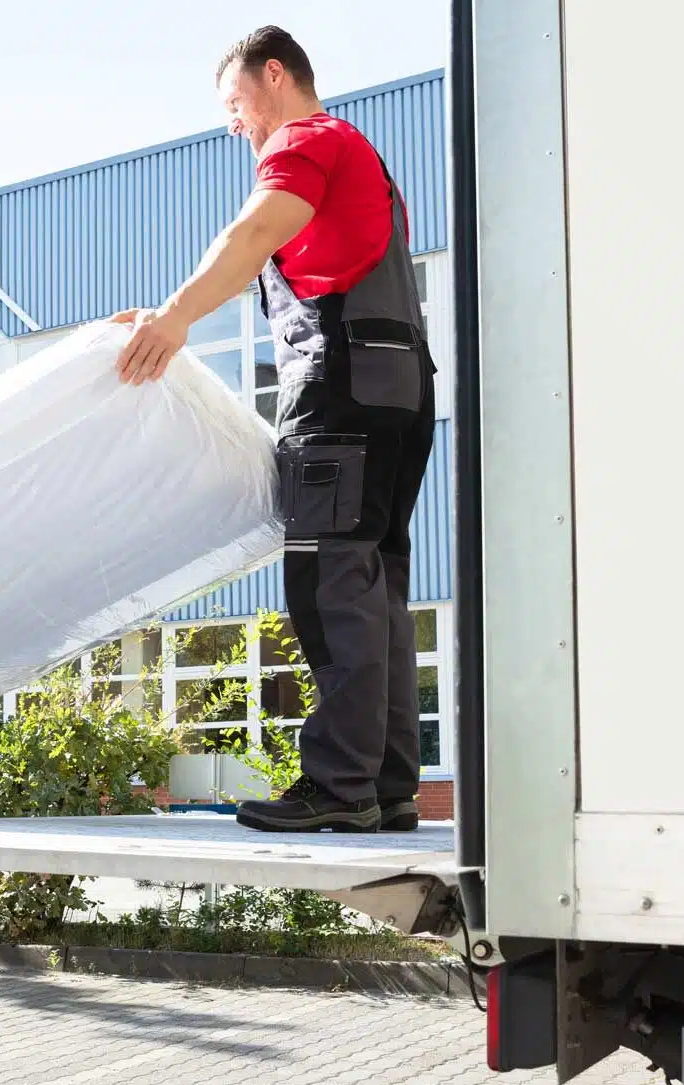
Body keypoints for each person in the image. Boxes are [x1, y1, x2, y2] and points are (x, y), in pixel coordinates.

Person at [114, 26, 436, 835]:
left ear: (276, 75)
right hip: (398, 391)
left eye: (235, 104)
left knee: (329, 584)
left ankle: (338, 784)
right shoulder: (366, 162)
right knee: (375, 585)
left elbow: (252, 234)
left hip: (341, 391)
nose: (235, 125)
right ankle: (386, 784)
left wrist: (175, 317)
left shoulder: (306, 140)